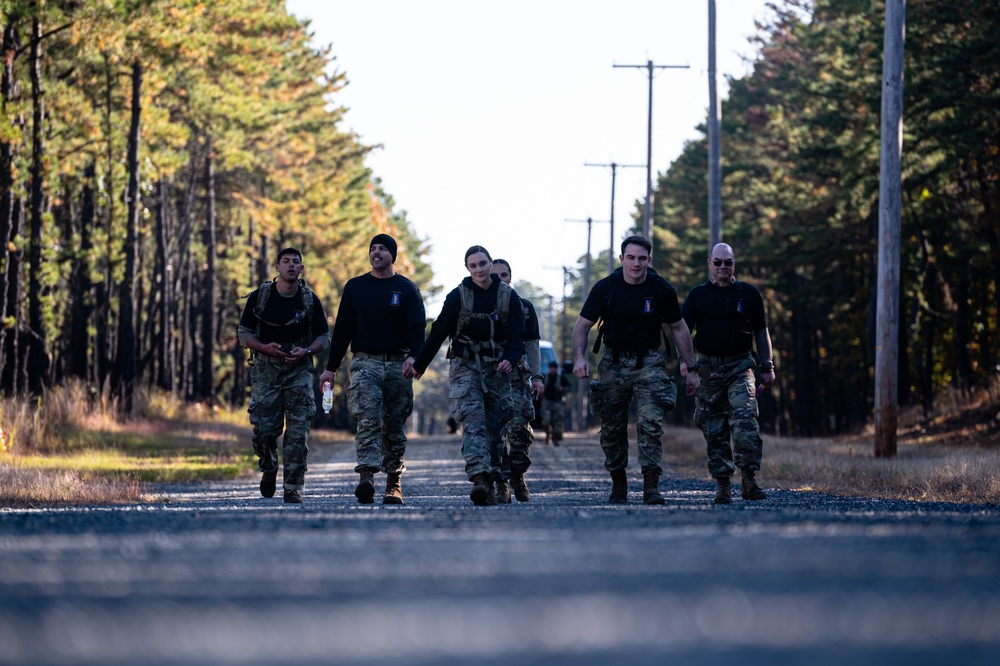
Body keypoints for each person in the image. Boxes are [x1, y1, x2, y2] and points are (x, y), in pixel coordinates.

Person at [571, 235, 699, 505]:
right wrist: (579, 358)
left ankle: (651, 484)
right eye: (631, 258)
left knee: (650, 421)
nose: (636, 264)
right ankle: (619, 482)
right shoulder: (606, 288)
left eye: (642, 258)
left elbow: (679, 328)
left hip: (649, 362)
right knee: (612, 428)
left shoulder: (661, 289)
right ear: (622, 259)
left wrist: (691, 366)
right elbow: (582, 326)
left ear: (649, 260)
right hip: (613, 363)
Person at [406, 245, 525, 506]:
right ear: (467, 268)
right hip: (465, 367)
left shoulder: (508, 296)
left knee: (495, 428)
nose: (479, 270)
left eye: (483, 264)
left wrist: (510, 359)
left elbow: (518, 336)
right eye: (473, 266)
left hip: (497, 367)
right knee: (473, 421)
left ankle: (494, 479)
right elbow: (438, 332)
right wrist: (420, 364)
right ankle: (479, 478)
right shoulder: (458, 296)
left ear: (490, 264)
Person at [319, 234, 426, 505]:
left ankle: (393, 482)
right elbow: (342, 329)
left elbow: (417, 330)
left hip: (398, 365)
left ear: (392, 255)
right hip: (365, 363)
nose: (376, 252)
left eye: (382, 249)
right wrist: (330, 368)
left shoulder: (407, 289)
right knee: (368, 418)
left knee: (393, 426)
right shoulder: (356, 287)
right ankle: (366, 475)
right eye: (372, 248)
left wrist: (415, 358)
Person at [680, 242, 775, 505]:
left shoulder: (749, 294)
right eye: (718, 262)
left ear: (734, 264)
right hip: (708, 369)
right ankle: (722, 484)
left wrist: (767, 366)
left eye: (728, 262)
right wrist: (687, 365)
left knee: (745, 421)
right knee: (714, 428)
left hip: (740, 367)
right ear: (709, 263)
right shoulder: (698, 296)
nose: (723, 267)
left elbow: (761, 331)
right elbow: (682, 332)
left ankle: (749, 479)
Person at [238, 247, 331, 504]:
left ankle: (292, 487)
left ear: (301, 269)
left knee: (298, 431)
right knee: (265, 431)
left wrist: (307, 351)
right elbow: (244, 332)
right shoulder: (261, 297)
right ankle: (269, 467)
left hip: (298, 370)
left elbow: (324, 336)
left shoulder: (309, 300)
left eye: (296, 262)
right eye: (286, 261)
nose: (291, 265)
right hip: (266, 370)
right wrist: (263, 347)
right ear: (277, 267)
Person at [489, 258, 544, 503]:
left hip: (518, 377)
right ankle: (501, 484)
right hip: (490, 376)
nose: (500, 279)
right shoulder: (478, 306)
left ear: (510, 277)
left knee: (520, 432)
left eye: (504, 275)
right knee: (495, 433)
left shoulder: (524, 307)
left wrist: (537, 376)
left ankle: (518, 476)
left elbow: (532, 345)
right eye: (495, 275)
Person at [541, 361, 571, 445]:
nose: (553, 370)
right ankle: (547, 434)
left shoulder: (561, 378)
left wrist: (563, 389)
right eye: (551, 368)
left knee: (557, 422)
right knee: (546, 421)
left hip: (557, 402)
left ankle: (555, 438)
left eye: (554, 368)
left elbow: (569, 386)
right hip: (547, 402)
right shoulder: (545, 377)